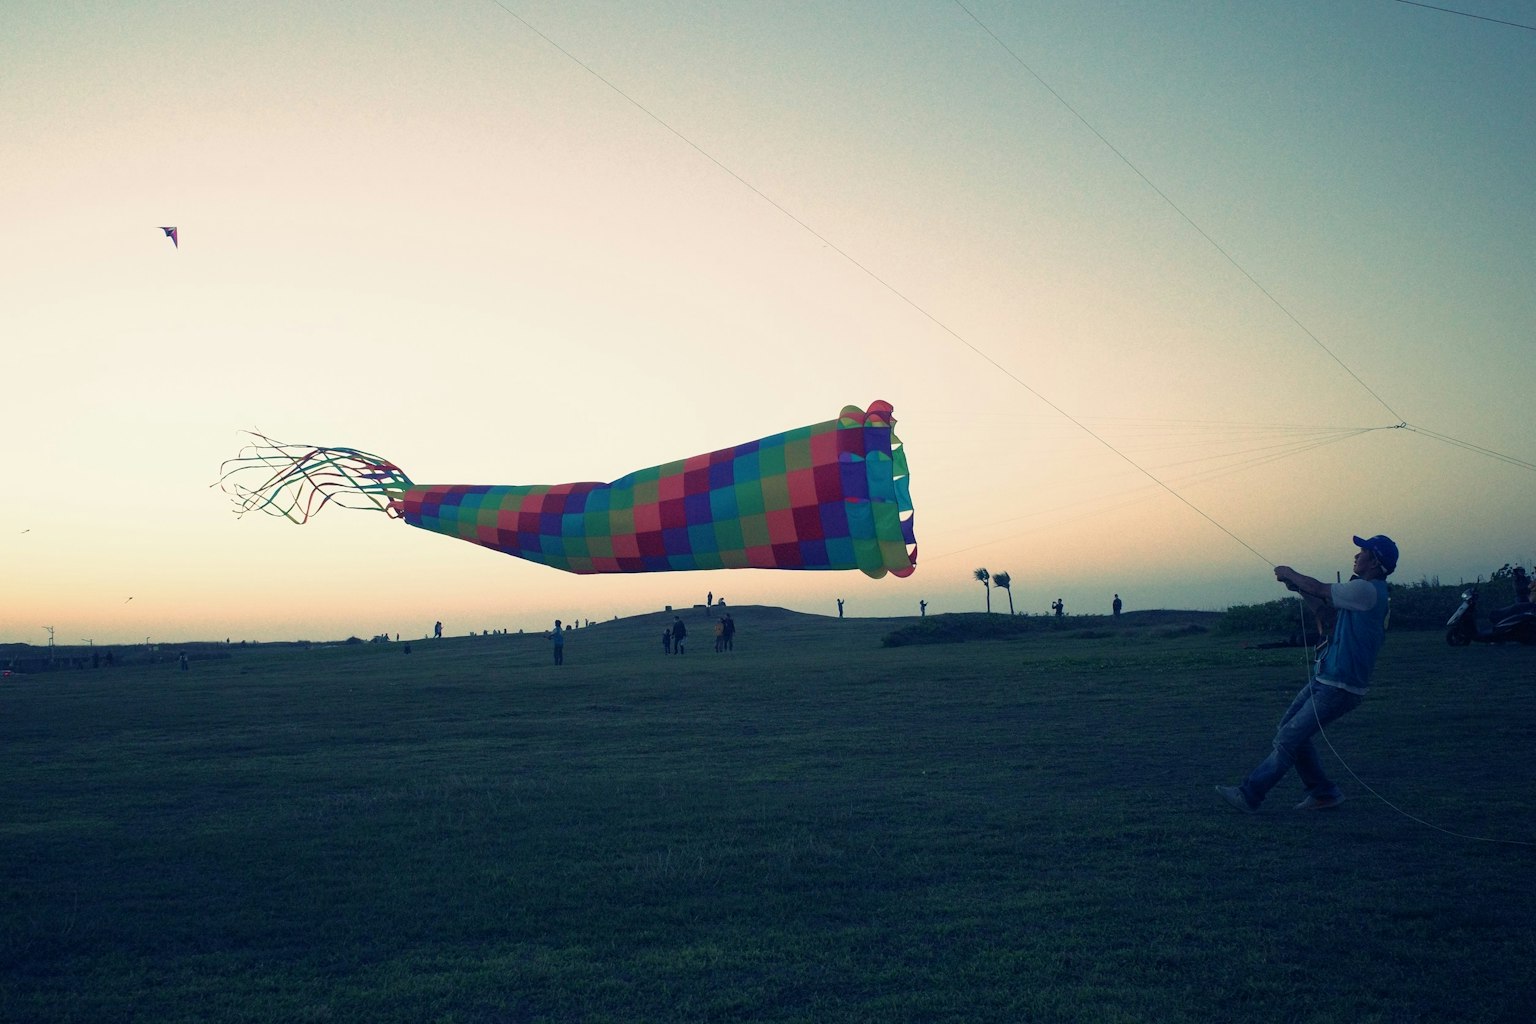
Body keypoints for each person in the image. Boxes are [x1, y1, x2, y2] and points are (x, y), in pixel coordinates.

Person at [1216, 533, 1398, 814]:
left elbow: (1319, 588)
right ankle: (1323, 793)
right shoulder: (1362, 592)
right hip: (1325, 679)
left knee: (1287, 739)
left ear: (1374, 562)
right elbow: (1325, 614)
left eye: (1362, 552)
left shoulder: (1367, 590)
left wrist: (1291, 574)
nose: (1356, 555)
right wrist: (1300, 590)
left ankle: (1249, 795)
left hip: (1340, 687)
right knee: (1288, 733)